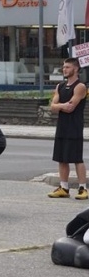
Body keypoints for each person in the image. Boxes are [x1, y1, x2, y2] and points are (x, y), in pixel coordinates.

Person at [48, 57, 88, 200]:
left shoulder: (80, 86)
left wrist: (59, 106)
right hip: (62, 126)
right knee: (62, 158)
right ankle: (64, 187)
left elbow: (71, 108)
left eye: (68, 67)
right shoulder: (60, 86)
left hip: (74, 126)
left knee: (77, 158)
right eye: (64, 67)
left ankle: (83, 188)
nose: (64, 70)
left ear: (76, 69)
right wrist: (61, 106)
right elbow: (52, 107)